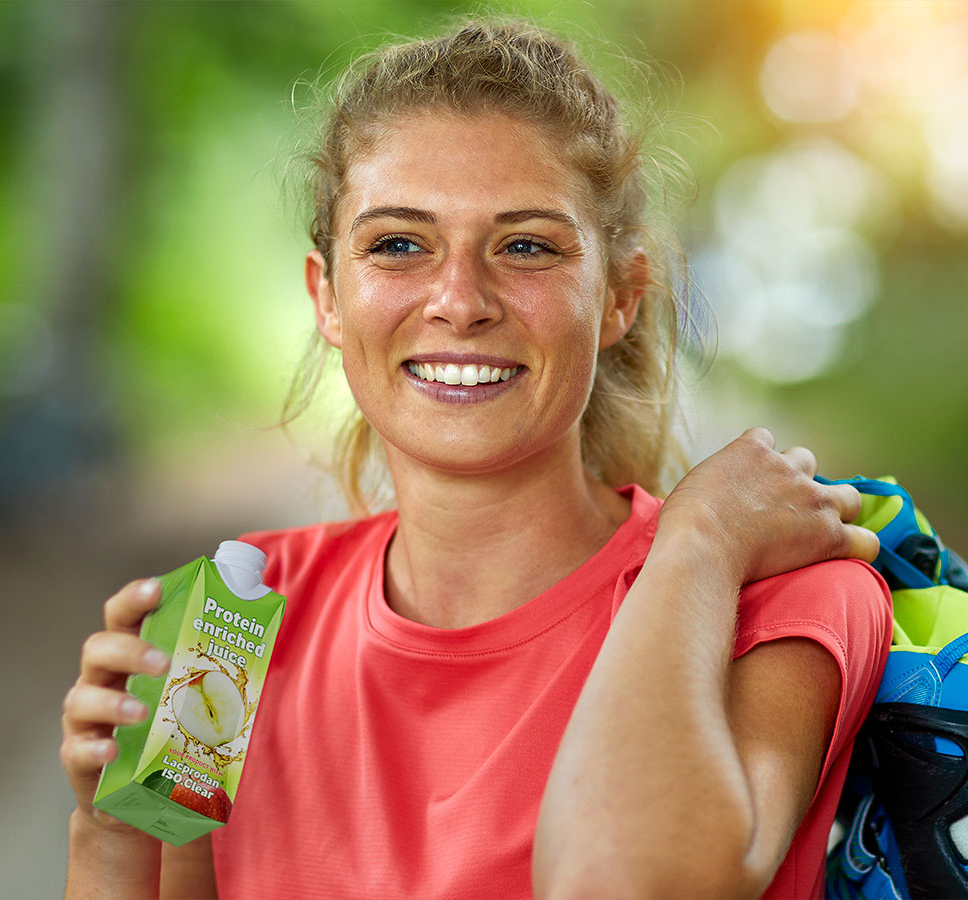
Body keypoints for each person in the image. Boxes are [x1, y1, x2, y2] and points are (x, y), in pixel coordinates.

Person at [59, 19, 895, 899]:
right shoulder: (236, 621)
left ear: (619, 298)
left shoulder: (775, 601)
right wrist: (113, 830)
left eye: (526, 246)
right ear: (329, 298)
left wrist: (699, 542)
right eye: (398, 245)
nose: (459, 301)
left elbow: (631, 883)